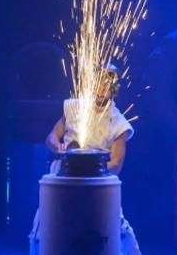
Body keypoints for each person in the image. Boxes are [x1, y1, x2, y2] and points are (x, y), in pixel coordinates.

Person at [29, 64, 142, 255]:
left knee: (116, 227)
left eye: (106, 85)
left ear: (114, 89)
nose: (101, 89)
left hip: (97, 182)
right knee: (44, 227)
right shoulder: (75, 107)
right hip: (61, 177)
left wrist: (89, 167)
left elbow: (116, 165)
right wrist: (61, 149)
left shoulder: (118, 123)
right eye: (99, 83)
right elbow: (51, 138)